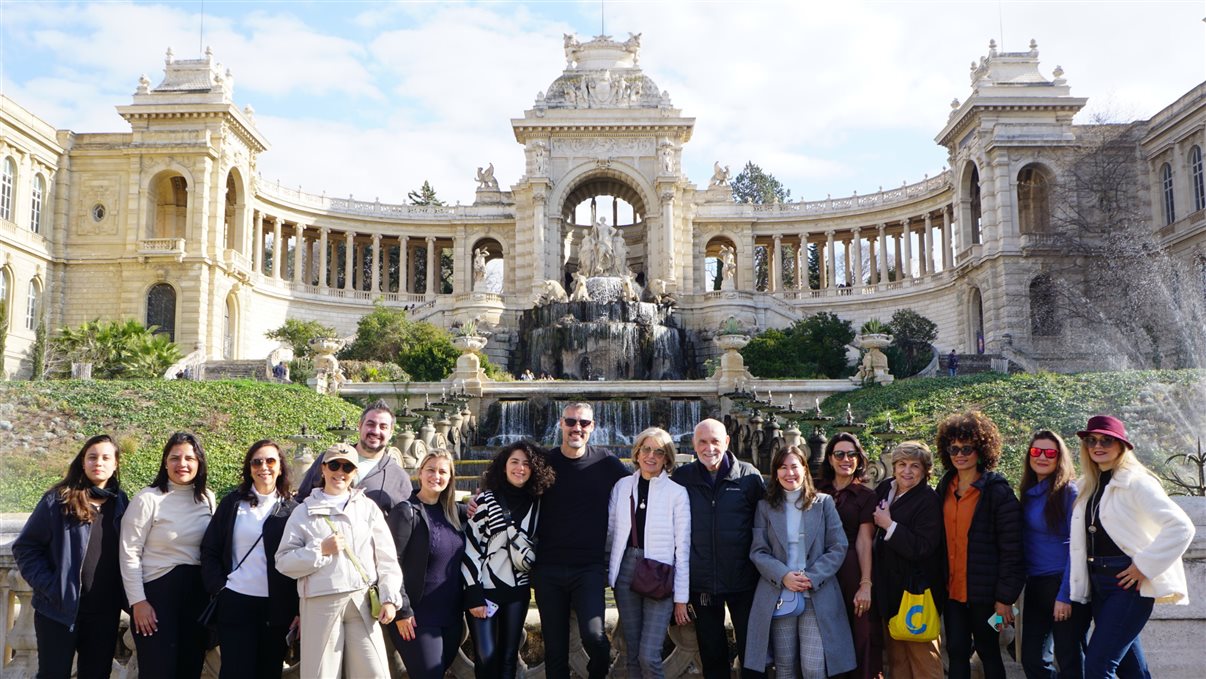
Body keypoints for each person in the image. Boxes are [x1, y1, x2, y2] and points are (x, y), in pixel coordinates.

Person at [1069, 415, 1194, 677]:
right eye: (1091, 440)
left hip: (1125, 583)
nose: (1097, 446)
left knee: (1097, 666)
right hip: (1098, 582)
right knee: (1130, 669)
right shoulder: (1088, 485)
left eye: (1107, 440)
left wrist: (1144, 566)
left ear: (1122, 445)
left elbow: (1181, 527)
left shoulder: (1136, 481)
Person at [275, 443, 402, 679]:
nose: (340, 471)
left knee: (374, 672)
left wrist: (389, 598)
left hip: (362, 600)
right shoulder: (303, 511)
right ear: (323, 468)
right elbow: (283, 561)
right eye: (334, 465)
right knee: (321, 674)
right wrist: (320, 551)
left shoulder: (367, 508)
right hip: (320, 602)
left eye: (347, 467)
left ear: (354, 473)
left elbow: (387, 557)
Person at [13, 434, 128, 679]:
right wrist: (51, 586)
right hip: (59, 609)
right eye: (92, 457)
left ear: (116, 464)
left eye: (106, 457)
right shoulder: (59, 499)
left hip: (104, 612)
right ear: (83, 461)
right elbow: (26, 548)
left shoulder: (121, 503)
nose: (99, 462)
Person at [532, 402, 628, 679]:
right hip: (548, 569)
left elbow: (637, 489)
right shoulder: (544, 463)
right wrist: (477, 501)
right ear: (561, 424)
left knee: (596, 638)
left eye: (584, 423)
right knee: (555, 649)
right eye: (571, 422)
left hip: (589, 569)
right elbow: (513, 486)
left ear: (592, 427)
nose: (577, 428)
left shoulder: (607, 462)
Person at [745, 445, 855, 678]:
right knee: (785, 666)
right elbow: (759, 551)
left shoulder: (823, 503)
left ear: (804, 469)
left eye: (794, 466)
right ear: (775, 473)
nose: (789, 473)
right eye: (782, 468)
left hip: (816, 594)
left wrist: (811, 577)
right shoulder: (765, 507)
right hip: (779, 594)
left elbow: (838, 546)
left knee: (814, 667)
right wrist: (784, 575)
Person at [671, 418, 766, 679]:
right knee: (712, 657)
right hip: (702, 583)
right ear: (693, 444)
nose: (709, 447)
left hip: (744, 580)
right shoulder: (682, 478)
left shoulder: (748, 476)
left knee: (753, 655)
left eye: (715, 441)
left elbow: (767, 525)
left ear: (726, 442)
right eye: (702, 441)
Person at [935, 411, 1024, 679]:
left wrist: (1005, 599)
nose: (959, 454)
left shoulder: (998, 492)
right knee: (957, 651)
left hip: (988, 597)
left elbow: (1013, 550)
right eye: (953, 448)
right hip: (952, 593)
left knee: (988, 650)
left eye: (967, 448)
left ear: (982, 450)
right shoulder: (944, 488)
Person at [119, 432, 216, 679]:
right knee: (157, 671)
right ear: (165, 462)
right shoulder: (148, 499)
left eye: (189, 458)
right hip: (156, 598)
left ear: (199, 462)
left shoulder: (207, 498)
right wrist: (138, 602)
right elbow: (129, 553)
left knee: (190, 669)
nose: (182, 464)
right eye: (175, 458)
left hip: (197, 597)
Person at [199, 440, 299, 679]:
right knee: (235, 672)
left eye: (270, 461)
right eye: (257, 462)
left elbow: (299, 561)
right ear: (249, 468)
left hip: (277, 608)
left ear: (281, 467)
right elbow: (210, 549)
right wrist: (220, 588)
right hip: (236, 601)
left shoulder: (293, 510)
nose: (264, 467)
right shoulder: (233, 504)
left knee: (269, 672)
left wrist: (297, 609)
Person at [461, 439, 556, 679]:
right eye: (514, 462)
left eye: (526, 464)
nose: (520, 468)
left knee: (508, 658)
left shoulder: (539, 503)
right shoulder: (485, 501)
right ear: (504, 466)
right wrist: (473, 593)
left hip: (518, 593)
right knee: (486, 656)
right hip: (484, 592)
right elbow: (470, 548)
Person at [607, 427, 691, 678]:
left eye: (659, 451)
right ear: (637, 452)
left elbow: (682, 548)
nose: (651, 456)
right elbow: (610, 533)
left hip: (660, 573)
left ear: (667, 458)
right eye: (646, 449)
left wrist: (681, 598)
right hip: (625, 571)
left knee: (648, 654)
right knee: (632, 653)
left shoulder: (677, 493)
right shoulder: (622, 487)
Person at [387, 449, 467, 679]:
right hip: (416, 617)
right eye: (431, 469)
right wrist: (402, 611)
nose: (436, 476)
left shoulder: (453, 512)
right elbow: (391, 564)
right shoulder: (405, 511)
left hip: (451, 617)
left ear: (450, 478)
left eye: (443, 471)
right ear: (420, 473)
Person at [871, 441, 946, 679]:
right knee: (897, 662)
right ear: (893, 467)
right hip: (888, 591)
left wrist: (889, 525)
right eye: (902, 464)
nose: (907, 471)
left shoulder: (928, 500)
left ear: (925, 471)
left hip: (915, 593)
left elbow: (923, 547)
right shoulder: (885, 488)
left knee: (924, 662)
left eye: (915, 466)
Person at [1017, 429, 1089, 679]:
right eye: (1036, 451)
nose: (1042, 457)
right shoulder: (1028, 493)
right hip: (1036, 585)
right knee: (1032, 659)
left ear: (1060, 457)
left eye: (1050, 453)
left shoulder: (1069, 493)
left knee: (1069, 659)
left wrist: (1065, 596)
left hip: (1062, 583)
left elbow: (1077, 546)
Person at [816, 433, 883, 679]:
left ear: (859, 459)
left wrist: (865, 584)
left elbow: (865, 541)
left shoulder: (866, 496)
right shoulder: (815, 490)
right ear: (830, 459)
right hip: (821, 571)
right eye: (840, 454)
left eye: (852, 454)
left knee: (861, 633)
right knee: (825, 634)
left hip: (852, 569)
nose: (846, 459)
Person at [296, 399, 412, 516]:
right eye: (370, 424)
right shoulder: (329, 459)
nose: (376, 431)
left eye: (383, 427)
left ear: (391, 432)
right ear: (360, 425)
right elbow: (301, 500)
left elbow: (404, 522)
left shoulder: (399, 478)